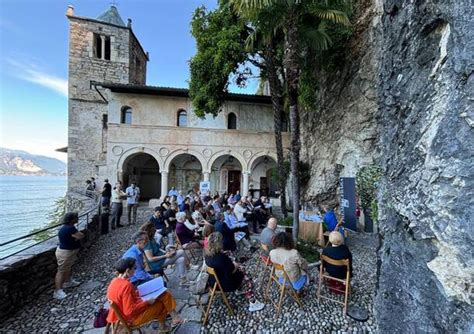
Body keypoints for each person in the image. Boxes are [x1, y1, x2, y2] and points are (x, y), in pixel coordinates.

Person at [106, 258, 184, 332]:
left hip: (122, 315)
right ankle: (163, 326)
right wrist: (147, 302)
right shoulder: (126, 285)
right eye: (134, 268)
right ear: (127, 271)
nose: (135, 270)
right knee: (161, 304)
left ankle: (174, 318)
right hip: (131, 319)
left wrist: (135, 293)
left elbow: (122, 298)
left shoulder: (114, 281)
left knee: (163, 294)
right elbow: (129, 311)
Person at [205, 232, 265, 312]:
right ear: (219, 244)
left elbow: (221, 265)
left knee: (240, 269)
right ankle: (253, 302)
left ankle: (240, 290)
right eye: (222, 240)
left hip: (213, 282)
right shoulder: (222, 258)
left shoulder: (208, 255)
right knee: (245, 275)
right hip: (225, 284)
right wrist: (236, 265)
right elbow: (232, 270)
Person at [53, 212, 84, 300]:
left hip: (67, 251)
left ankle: (67, 282)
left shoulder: (68, 228)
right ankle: (57, 291)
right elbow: (80, 235)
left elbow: (78, 236)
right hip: (65, 252)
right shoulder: (70, 228)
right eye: (76, 217)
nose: (78, 219)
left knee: (67, 267)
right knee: (61, 271)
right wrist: (78, 236)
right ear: (72, 220)